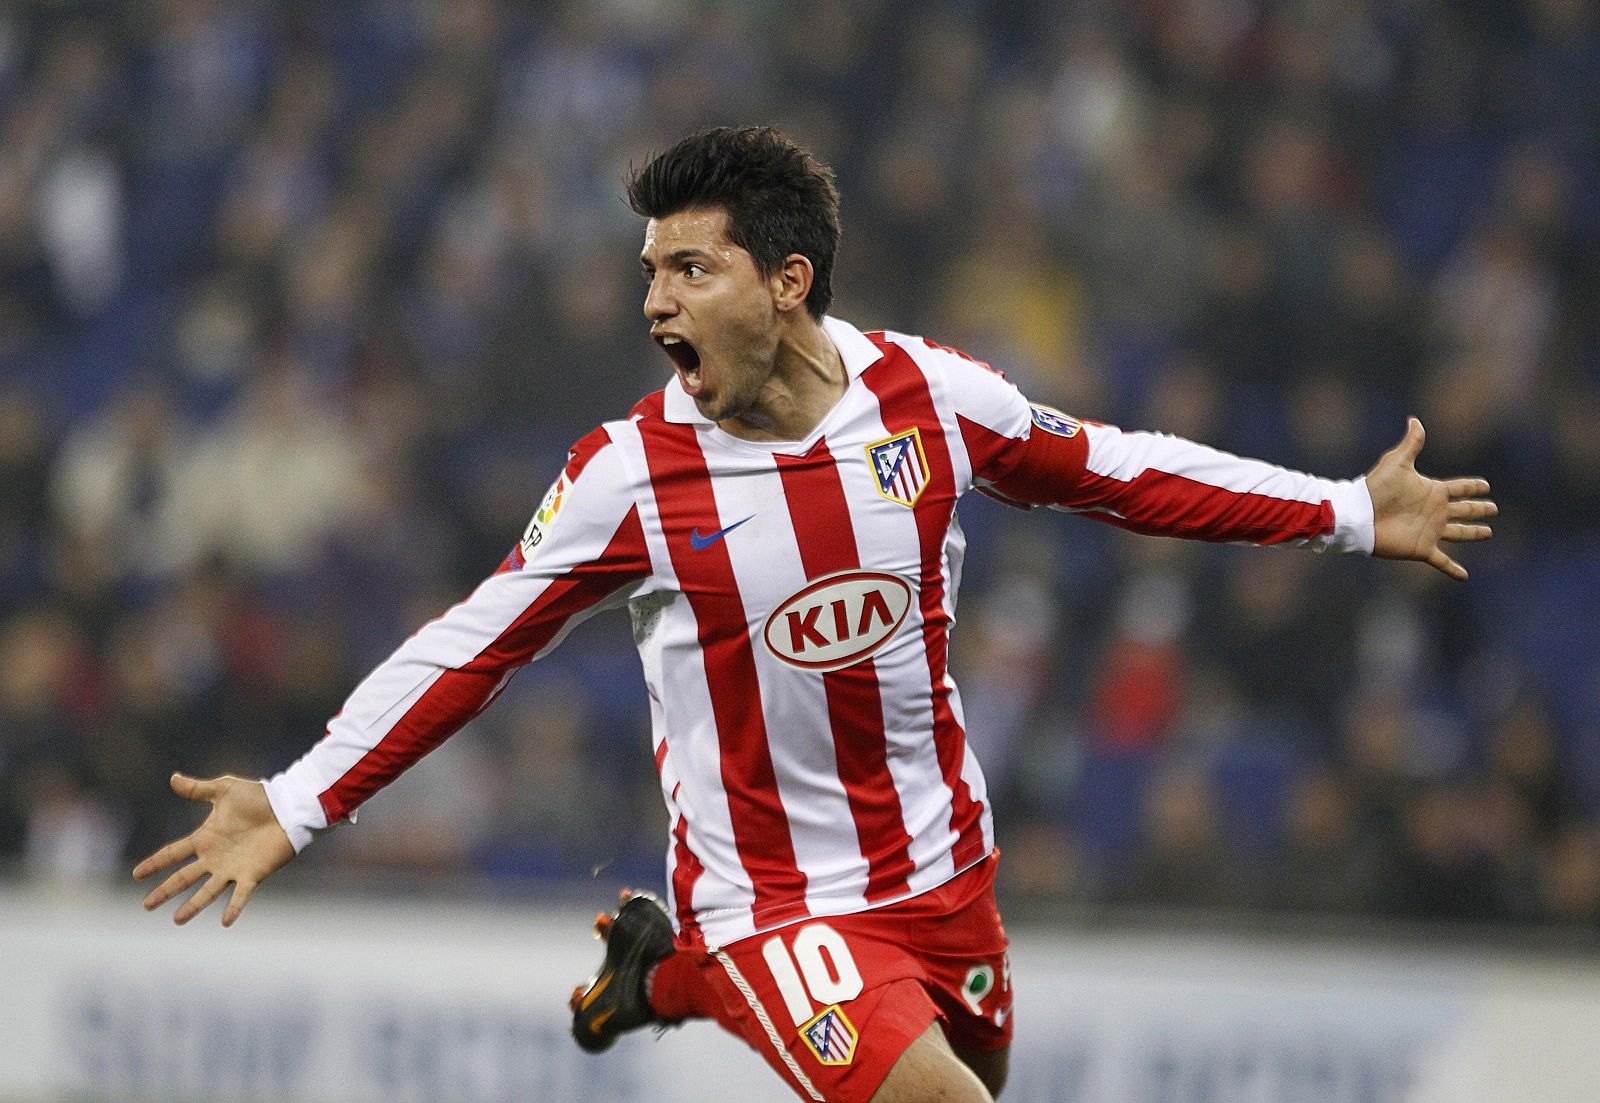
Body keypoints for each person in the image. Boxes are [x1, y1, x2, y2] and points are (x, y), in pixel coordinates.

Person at [133, 127, 1497, 1103]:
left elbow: (1116, 470)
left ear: (788, 283)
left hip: (945, 876)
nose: (656, 301)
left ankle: (667, 981)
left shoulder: (928, 398)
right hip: (771, 899)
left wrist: (1348, 512)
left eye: (692, 271)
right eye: (651, 275)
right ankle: (708, 956)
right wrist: (302, 799)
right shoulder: (633, 473)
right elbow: (476, 640)